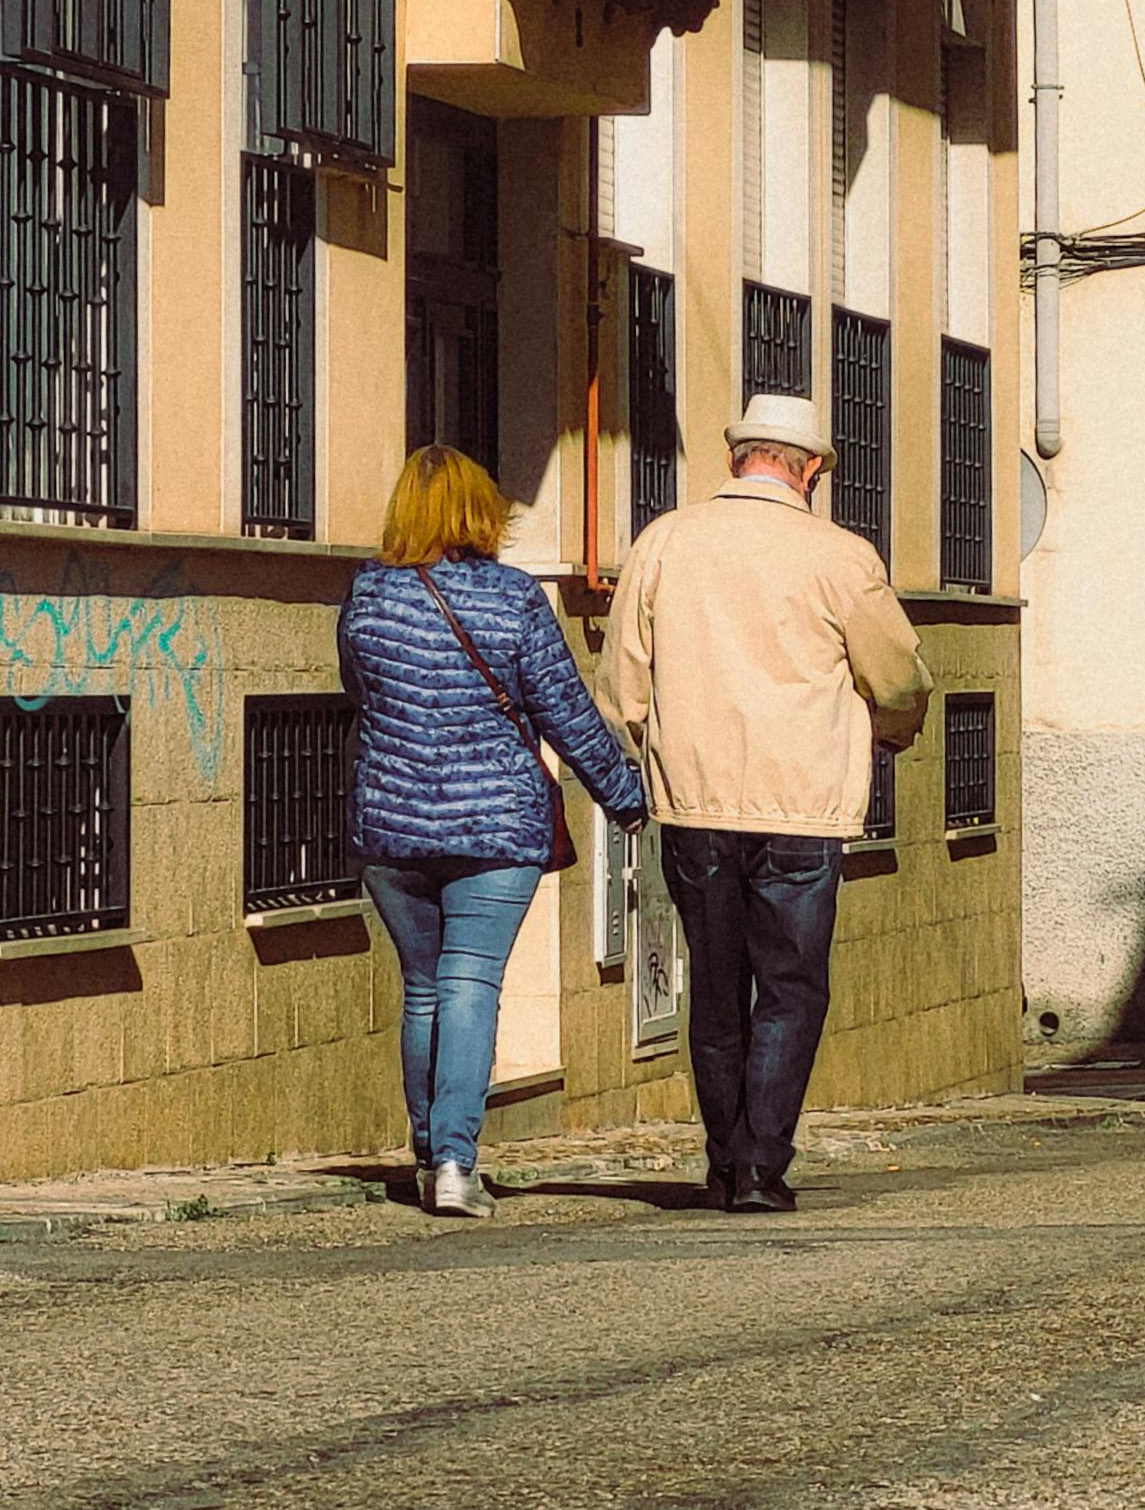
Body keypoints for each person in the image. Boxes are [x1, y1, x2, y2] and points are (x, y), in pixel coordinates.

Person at [601, 390, 931, 1213]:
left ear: (733, 459)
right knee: (790, 985)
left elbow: (620, 686)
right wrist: (892, 729)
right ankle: (761, 1164)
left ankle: (723, 1160)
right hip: (802, 803)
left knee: (714, 986)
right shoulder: (839, 556)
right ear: (811, 469)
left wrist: (650, 752)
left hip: (694, 802)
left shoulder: (665, 541)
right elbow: (895, 674)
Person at [340, 443, 647, 1219]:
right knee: (469, 982)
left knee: (422, 990)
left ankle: (425, 1154)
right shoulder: (512, 600)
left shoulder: (367, 597)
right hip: (495, 826)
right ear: (481, 513)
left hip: (393, 822)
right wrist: (625, 797)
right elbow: (563, 712)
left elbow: (359, 693)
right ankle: (455, 1163)